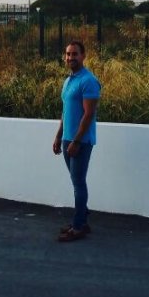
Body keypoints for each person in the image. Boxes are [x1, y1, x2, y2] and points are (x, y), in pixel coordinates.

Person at [53, 41, 101, 242]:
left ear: (83, 56)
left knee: (78, 183)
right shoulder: (68, 81)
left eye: (75, 54)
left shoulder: (88, 81)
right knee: (76, 181)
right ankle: (82, 218)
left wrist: (77, 141)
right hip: (67, 139)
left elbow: (88, 115)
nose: (70, 57)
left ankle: (79, 226)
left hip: (80, 141)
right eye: (68, 54)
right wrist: (58, 136)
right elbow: (66, 112)